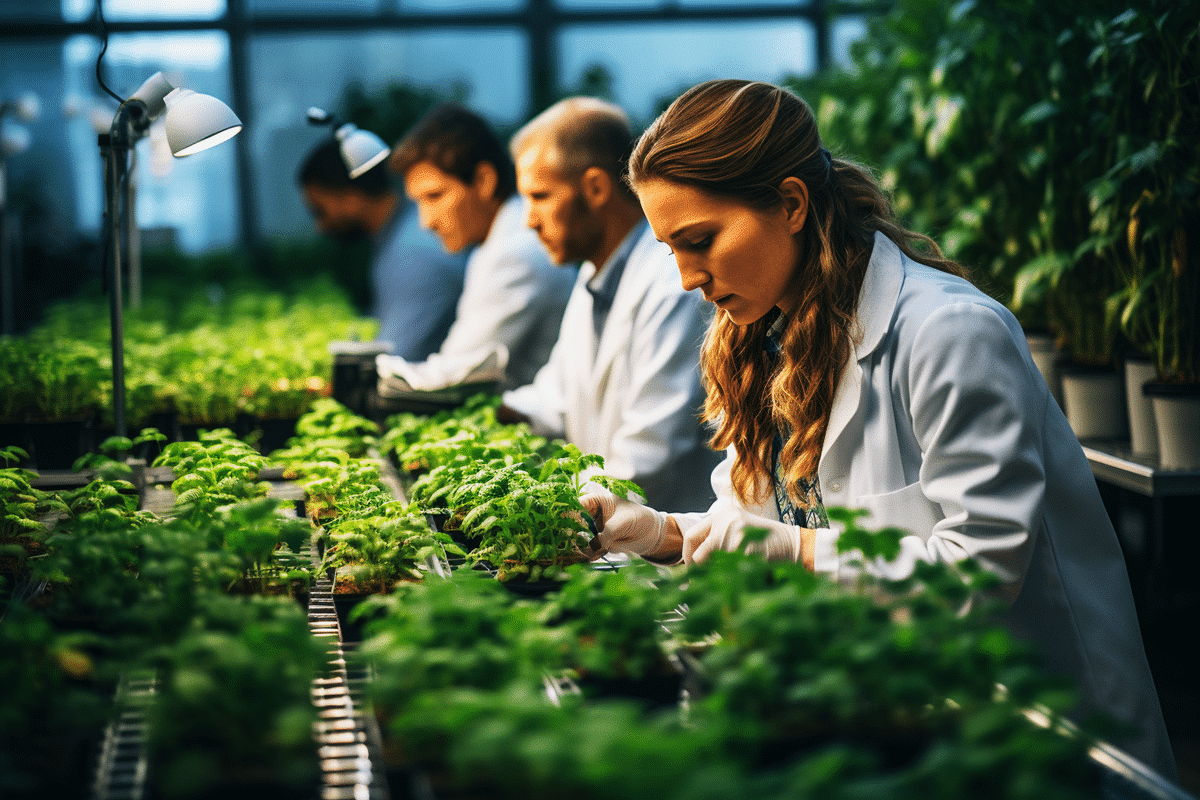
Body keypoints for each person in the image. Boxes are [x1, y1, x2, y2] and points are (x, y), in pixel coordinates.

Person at [584, 79, 1176, 777]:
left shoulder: (948, 332)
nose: (686, 277)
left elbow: (978, 574)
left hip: (1037, 731)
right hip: (894, 723)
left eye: (701, 240)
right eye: (670, 249)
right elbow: (752, 524)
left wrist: (797, 555)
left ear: (792, 203)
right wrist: (660, 533)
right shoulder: (764, 339)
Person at [499, 97, 720, 513]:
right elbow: (557, 395)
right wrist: (486, 413)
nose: (529, 220)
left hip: (669, 547)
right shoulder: (594, 274)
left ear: (596, 188)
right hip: (613, 537)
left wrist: (543, 512)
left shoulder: (673, 283)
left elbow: (650, 454)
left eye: (541, 196)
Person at [387, 103, 575, 390]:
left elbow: (452, 377)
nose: (426, 222)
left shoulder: (514, 254)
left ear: (484, 181)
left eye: (435, 196)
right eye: (418, 203)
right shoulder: (496, 242)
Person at [298, 136, 467, 359]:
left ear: (351, 198)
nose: (320, 227)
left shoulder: (412, 255)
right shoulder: (400, 235)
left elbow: (395, 356)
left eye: (319, 211)